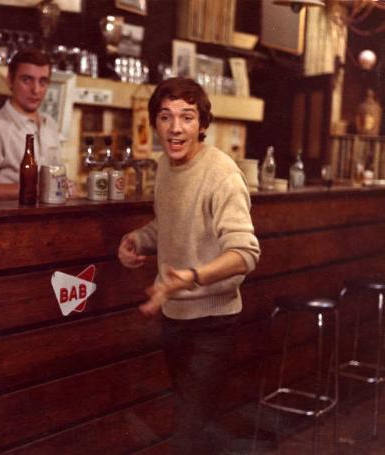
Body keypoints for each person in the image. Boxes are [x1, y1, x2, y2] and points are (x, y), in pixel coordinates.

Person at [117, 77, 260, 454]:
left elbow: (245, 253)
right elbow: (169, 222)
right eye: (165, 117)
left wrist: (194, 276)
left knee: (189, 433)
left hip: (213, 324)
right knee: (191, 425)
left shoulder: (222, 173)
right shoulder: (165, 166)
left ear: (202, 124)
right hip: (174, 317)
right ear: (155, 123)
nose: (175, 127)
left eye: (187, 117)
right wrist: (136, 240)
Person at [0, 48, 62, 201]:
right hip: (13, 219)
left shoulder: (50, 124)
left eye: (42, 82)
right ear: (10, 80)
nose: (36, 90)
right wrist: (31, 189)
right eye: (27, 80)